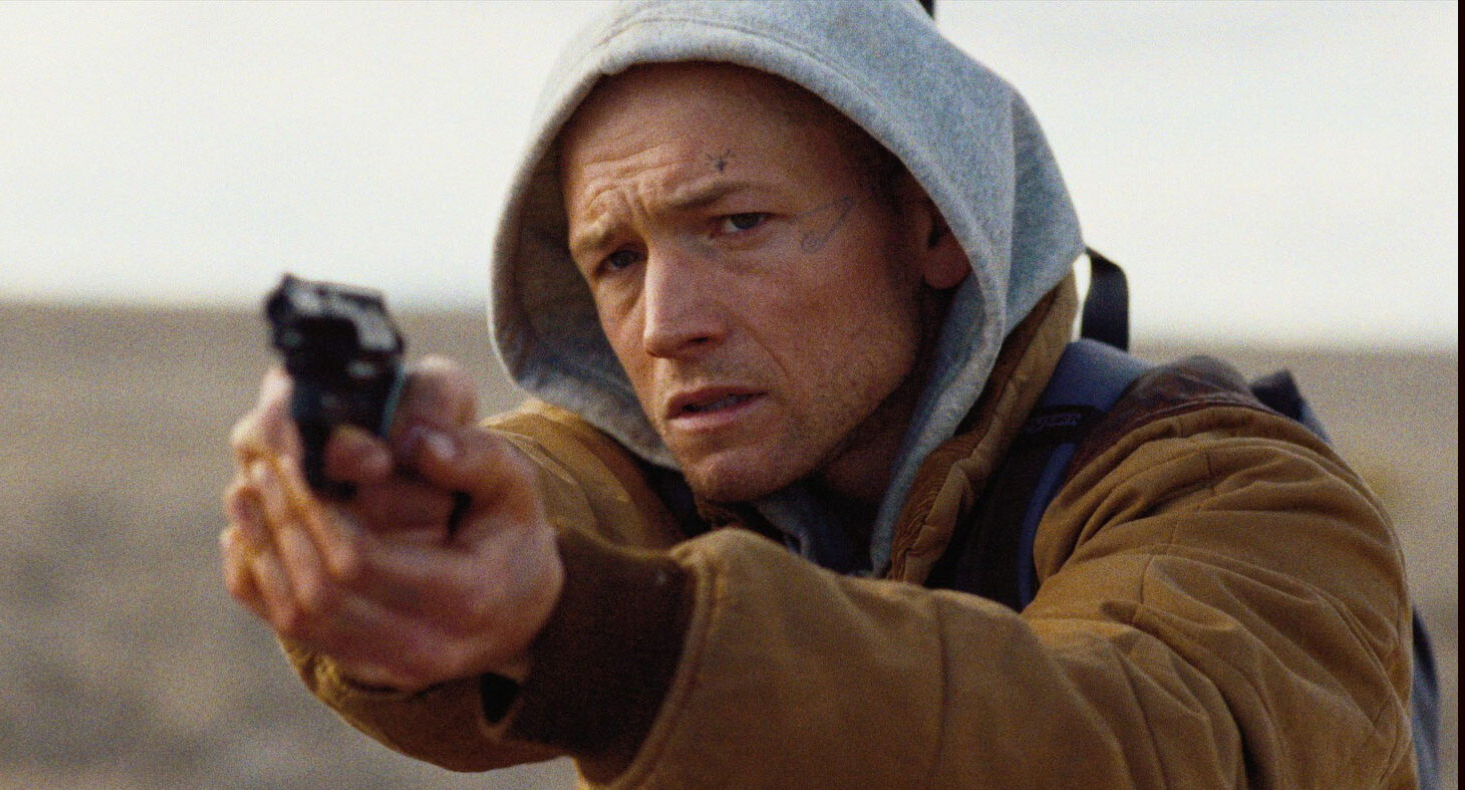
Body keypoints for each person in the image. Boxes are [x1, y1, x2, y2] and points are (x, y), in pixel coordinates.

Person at [219, 2, 1418, 787]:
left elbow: (1132, 748)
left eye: (736, 224)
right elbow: (550, 494)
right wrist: (408, 518)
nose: (665, 323)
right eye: (617, 259)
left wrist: (600, 629)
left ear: (933, 227)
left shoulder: (1243, 492)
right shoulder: (676, 468)